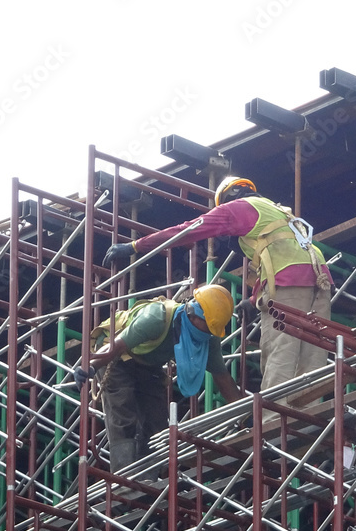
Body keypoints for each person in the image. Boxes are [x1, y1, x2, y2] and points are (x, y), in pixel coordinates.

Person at [104, 176, 333, 418]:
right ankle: (310, 414)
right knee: (313, 351)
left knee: (281, 351)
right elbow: (278, 253)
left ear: (229, 196)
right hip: (320, 279)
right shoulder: (278, 211)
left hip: (288, 281)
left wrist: (136, 246)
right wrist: (255, 299)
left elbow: (188, 230)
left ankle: (273, 423)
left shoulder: (239, 207)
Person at [74, 284, 241, 473]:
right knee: (123, 413)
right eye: (209, 327)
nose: (210, 332)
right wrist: (90, 366)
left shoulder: (208, 338)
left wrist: (245, 414)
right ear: (193, 314)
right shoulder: (157, 318)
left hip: (148, 365)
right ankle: (123, 479)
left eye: (213, 329)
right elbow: (116, 346)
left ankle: (149, 478)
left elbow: (223, 378)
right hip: (117, 357)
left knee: (157, 424)